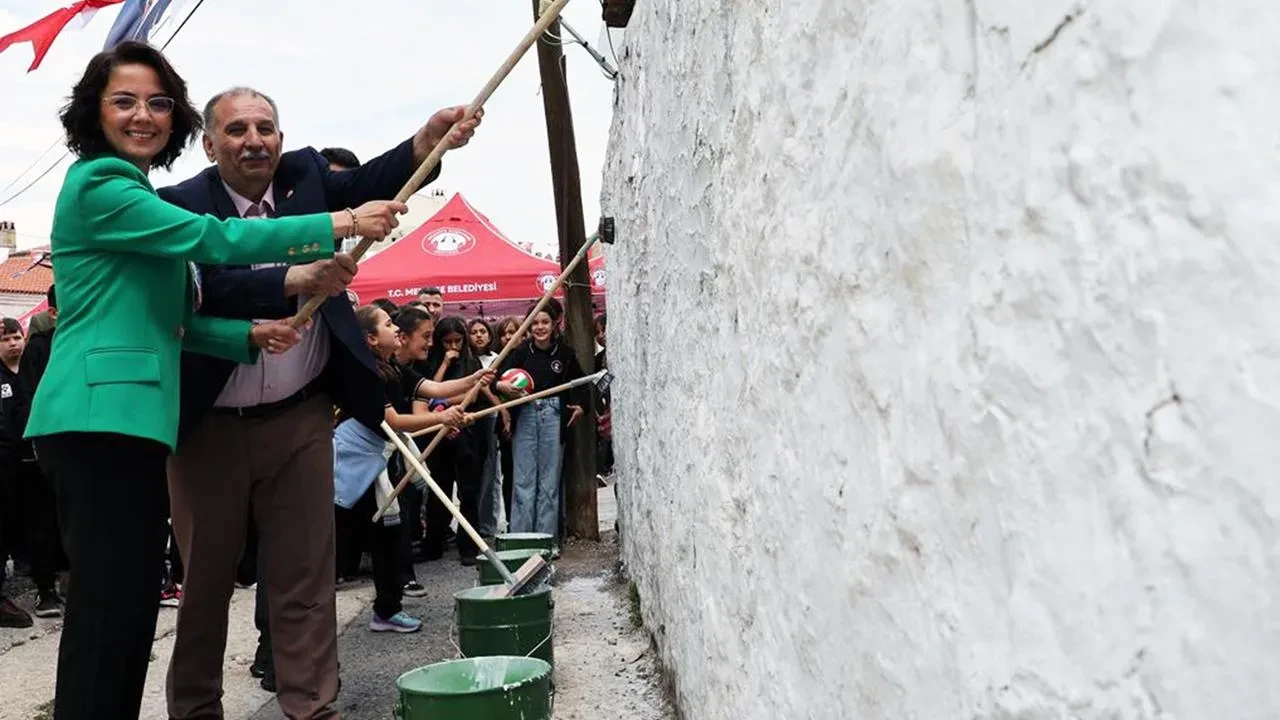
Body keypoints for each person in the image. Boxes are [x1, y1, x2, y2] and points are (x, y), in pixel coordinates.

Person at [21, 41, 403, 720]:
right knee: (108, 615)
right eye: (125, 101)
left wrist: (246, 336)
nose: (144, 114)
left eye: (158, 102)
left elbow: (170, 321)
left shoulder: (129, 191)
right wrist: (339, 223)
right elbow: (215, 240)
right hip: (95, 418)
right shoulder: (100, 184)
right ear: (93, 111)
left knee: (129, 608)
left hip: (132, 424)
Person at [159, 84, 479, 720]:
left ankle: (311, 706)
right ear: (209, 142)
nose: (255, 140)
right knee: (207, 583)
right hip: (208, 428)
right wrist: (288, 277)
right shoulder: (179, 204)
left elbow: (373, 181)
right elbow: (206, 290)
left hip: (304, 417)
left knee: (306, 576)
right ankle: (195, 709)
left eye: (266, 128)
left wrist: (426, 142)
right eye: (238, 129)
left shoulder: (306, 175)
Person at [334, 305, 487, 632]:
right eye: (389, 324)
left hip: (376, 462)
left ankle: (386, 610)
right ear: (371, 338)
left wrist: (475, 378)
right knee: (344, 536)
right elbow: (393, 421)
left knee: (388, 535)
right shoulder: (366, 372)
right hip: (352, 465)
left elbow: (434, 389)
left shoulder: (392, 368)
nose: (396, 330)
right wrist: (442, 417)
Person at [496, 301, 585, 551]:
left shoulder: (565, 353)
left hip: (554, 417)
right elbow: (495, 380)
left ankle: (547, 542)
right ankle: (521, 543)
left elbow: (579, 385)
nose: (539, 327)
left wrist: (579, 406)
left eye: (544, 321)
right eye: (534, 322)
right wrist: (503, 387)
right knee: (523, 482)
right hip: (525, 414)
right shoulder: (521, 351)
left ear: (555, 323)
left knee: (549, 483)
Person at [0, 318, 35, 628]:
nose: (13, 343)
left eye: (16, 337)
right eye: (6, 339)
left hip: (31, 463)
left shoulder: (31, 370)